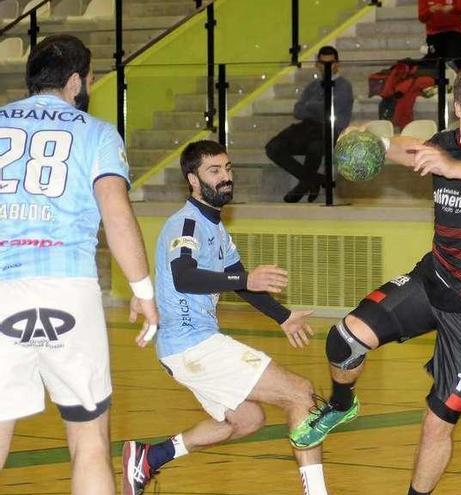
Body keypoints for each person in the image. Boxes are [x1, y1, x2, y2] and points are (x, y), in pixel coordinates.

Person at [290, 63, 461, 495]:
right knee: (343, 340)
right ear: (458, 108)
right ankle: (341, 404)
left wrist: (453, 167)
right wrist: (367, 137)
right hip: (437, 280)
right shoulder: (442, 144)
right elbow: (406, 148)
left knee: (436, 422)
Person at [121, 140, 327, 495]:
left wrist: (282, 316)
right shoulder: (186, 225)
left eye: (228, 169)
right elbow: (184, 276)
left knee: (247, 419)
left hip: (190, 347)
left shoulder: (216, 229)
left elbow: (240, 284)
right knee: (301, 395)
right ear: (193, 180)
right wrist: (246, 278)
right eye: (214, 172)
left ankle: (150, 457)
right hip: (192, 344)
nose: (225, 178)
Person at [0, 34, 159, 494]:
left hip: (3, 288)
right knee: (89, 439)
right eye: (89, 79)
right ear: (75, 81)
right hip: (68, 287)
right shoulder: (96, 132)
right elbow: (115, 210)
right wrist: (142, 291)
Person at [265, 46, 353, 204]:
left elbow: (331, 110)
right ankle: (315, 180)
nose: (326, 67)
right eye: (323, 63)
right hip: (307, 127)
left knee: (316, 147)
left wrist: (311, 106)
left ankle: (305, 184)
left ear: (337, 64)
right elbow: (298, 111)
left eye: (331, 63)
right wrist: (318, 107)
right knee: (273, 147)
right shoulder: (312, 86)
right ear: (317, 64)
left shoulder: (344, 86)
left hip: (332, 129)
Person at [419, 0, 461, 70]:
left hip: (454, 31)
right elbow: (422, 18)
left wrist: (452, 8)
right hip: (433, 33)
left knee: (454, 58)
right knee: (435, 59)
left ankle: (456, 76)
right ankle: (438, 78)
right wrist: (430, 10)